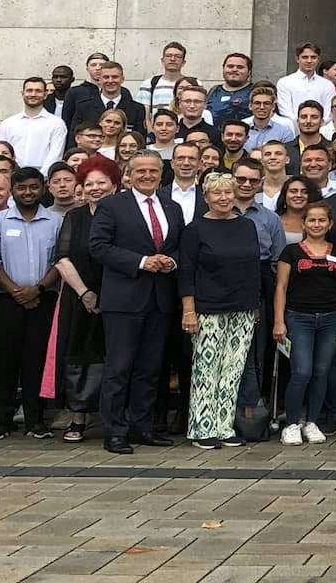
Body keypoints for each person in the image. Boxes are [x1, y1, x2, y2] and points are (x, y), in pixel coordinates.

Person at [89, 152, 186, 454]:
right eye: (140, 170)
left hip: (160, 300)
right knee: (119, 368)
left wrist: (170, 261)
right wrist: (142, 261)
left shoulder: (172, 207)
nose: (147, 175)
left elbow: (182, 247)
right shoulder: (111, 205)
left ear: (162, 173)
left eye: (153, 170)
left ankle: (142, 427)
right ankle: (115, 431)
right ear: (128, 174)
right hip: (124, 299)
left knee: (150, 368)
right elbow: (98, 246)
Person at [176, 174, 262, 449]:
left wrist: (255, 305)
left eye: (228, 192)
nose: (223, 198)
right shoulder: (195, 229)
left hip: (243, 308)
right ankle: (202, 429)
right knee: (206, 370)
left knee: (233, 370)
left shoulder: (247, 225)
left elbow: (253, 268)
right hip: (208, 308)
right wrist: (188, 310)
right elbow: (186, 272)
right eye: (217, 194)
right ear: (206, 198)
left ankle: (224, 427)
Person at [0, 167, 63, 440]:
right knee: (5, 361)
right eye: (21, 188)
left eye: (33, 187)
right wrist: (18, 292)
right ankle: (1, 421)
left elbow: (59, 260)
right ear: (12, 191)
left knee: (36, 361)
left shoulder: (55, 222)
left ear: (43, 188)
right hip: (7, 301)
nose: (27, 192)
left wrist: (38, 289)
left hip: (44, 299)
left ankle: (35, 420)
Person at [46, 155, 117, 444]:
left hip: (115, 296)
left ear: (114, 185)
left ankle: (113, 417)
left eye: (102, 182)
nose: (95, 188)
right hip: (79, 296)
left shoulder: (121, 214)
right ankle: (78, 418)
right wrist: (85, 293)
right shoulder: (74, 217)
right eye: (89, 183)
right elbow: (61, 258)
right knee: (80, 355)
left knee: (112, 356)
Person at [277, 198, 336, 445]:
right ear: (304, 223)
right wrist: (279, 321)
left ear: (330, 223)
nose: (317, 224)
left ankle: (311, 422)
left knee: (322, 372)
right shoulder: (291, 252)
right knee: (302, 371)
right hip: (299, 318)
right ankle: (291, 423)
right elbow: (281, 287)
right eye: (312, 219)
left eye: (322, 220)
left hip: (332, 318)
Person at [0, 76, 69, 174]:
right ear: (23, 94)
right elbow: (1, 152)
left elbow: (55, 155)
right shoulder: (8, 123)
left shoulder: (56, 124)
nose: (33, 94)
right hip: (12, 177)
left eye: (38, 91)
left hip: (43, 178)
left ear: (45, 95)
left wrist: (41, 176)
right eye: (29, 90)